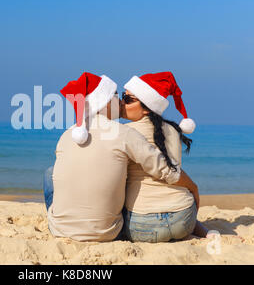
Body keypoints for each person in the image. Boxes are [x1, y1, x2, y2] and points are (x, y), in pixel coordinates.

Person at [44, 72, 191, 242]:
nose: (120, 101)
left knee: (50, 173)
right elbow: (165, 170)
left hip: (59, 231)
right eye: (115, 95)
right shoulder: (124, 133)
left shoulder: (65, 136)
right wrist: (193, 187)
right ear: (104, 102)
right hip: (107, 233)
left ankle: (65, 220)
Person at [121, 71, 208, 243]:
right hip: (184, 219)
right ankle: (201, 231)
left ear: (146, 109)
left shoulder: (126, 133)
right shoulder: (173, 130)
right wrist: (193, 188)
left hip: (143, 225)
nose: (122, 103)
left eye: (128, 99)